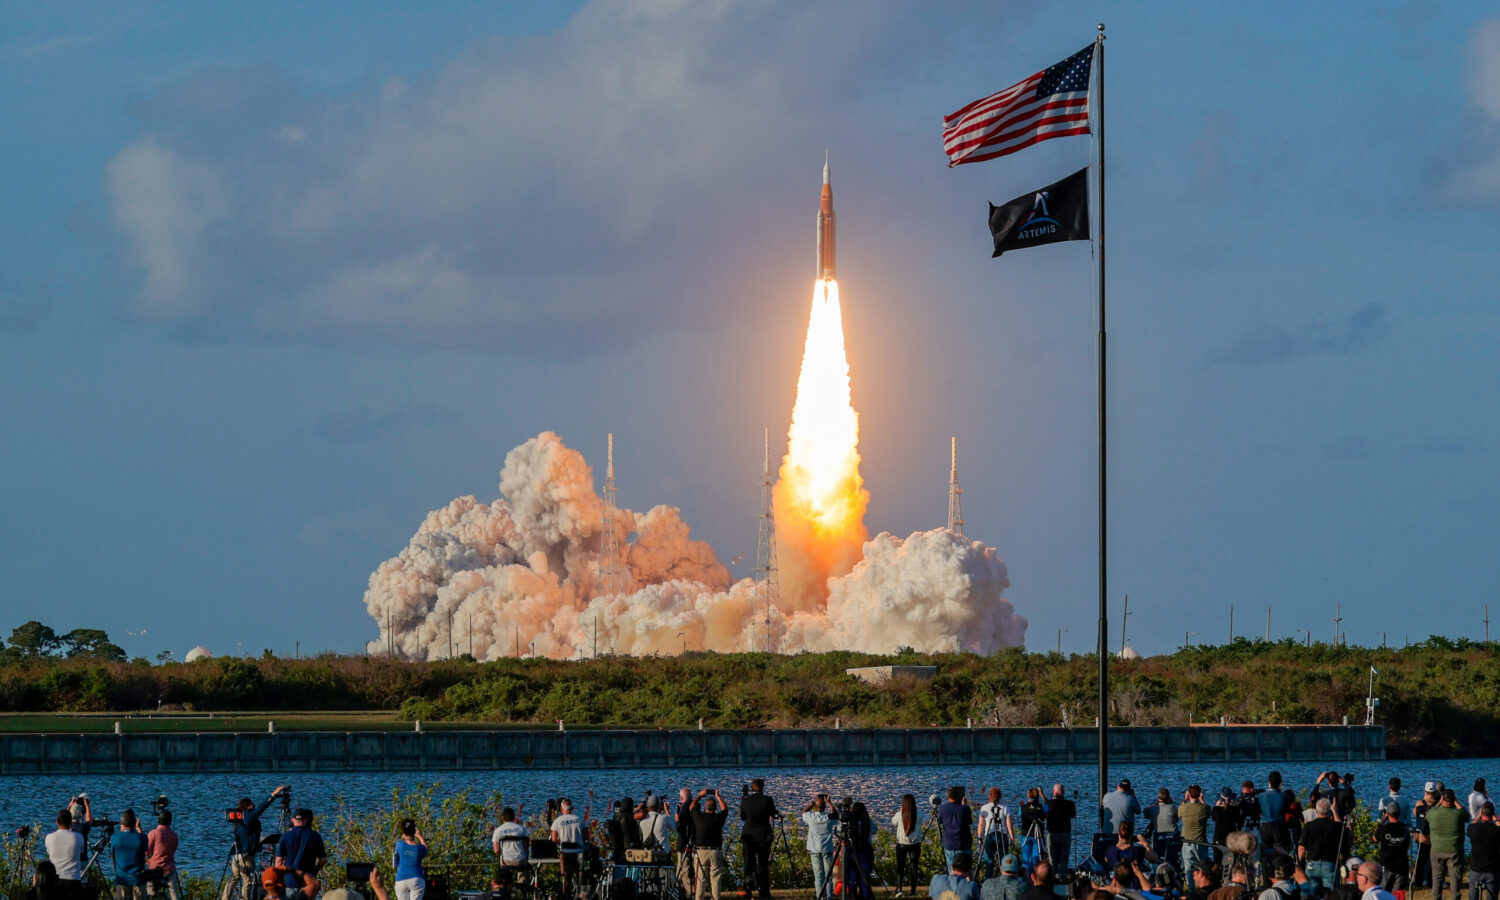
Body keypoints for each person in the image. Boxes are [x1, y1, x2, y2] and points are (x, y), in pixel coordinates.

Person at [223, 786, 288, 900]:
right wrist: (273, 794)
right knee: (247, 879)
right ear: (248, 806)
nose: (253, 806)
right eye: (252, 804)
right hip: (246, 854)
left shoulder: (239, 818)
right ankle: (245, 899)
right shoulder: (249, 815)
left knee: (235, 877)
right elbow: (262, 808)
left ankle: (225, 898)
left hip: (236, 853)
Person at [740, 780, 779, 900]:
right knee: (763, 864)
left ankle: (747, 889)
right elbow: (773, 814)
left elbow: (742, 817)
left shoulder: (746, 801)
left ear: (752, 788)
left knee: (748, 862)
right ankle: (764, 892)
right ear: (762, 787)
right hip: (763, 836)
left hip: (749, 836)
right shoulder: (767, 800)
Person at [1429, 788, 1470, 900]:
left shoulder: (1433, 813)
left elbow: (1428, 816)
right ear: (1454, 800)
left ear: (1442, 799)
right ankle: (1455, 898)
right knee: (1455, 878)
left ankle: (1436, 897)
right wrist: (1457, 802)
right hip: (1454, 850)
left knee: (1437, 877)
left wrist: (1438, 803)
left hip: (1437, 849)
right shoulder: (1459, 814)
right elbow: (1468, 817)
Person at [274, 809, 327, 895]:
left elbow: (279, 860)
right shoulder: (314, 836)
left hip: (289, 880)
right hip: (308, 879)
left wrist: (278, 877)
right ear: (306, 820)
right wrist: (315, 870)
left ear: (292, 820)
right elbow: (323, 859)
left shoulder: (286, 836)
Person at [690, 789, 729, 900]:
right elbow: (725, 809)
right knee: (715, 879)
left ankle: (699, 898)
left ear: (704, 808)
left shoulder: (699, 817)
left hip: (701, 851)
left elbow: (692, 806)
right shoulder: (718, 818)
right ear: (715, 808)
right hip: (715, 850)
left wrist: (699, 796)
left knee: (700, 879)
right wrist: (718, 796)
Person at [1299, 800, 1343, 893]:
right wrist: (1334, 810)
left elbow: (1302, 848)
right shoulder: (1335, 826)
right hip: (1329, 864)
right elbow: (1340, 825)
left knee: (1311, 894)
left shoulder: (1309, 826)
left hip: (1312, 864)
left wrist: (1298, 863)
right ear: (1329, 812)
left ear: (1316, 811)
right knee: (1331, 894)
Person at [46, 809, 86, 897]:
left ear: (57, 822)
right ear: (71, 822)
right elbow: (81, 851)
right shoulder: (78, 837)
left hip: (55, 879)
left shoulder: (49, 838)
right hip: (73, 880)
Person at [550, 798, 584, 899]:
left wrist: (562, 841)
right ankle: (581, 895)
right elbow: (586, 836)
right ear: (572, 808)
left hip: (565, 853)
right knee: (580, 877)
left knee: (566, 877)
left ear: (561, 809)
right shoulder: (580, 819)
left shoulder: (557, 821)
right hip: (579, 852)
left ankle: (566, 896)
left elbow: (554, 838)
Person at [1374, 801, 1411, 893]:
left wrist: (1381, 822)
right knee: (1397, 894)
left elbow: (1375, 838)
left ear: (1387, 814)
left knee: (1383, 893)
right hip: (1402, 867)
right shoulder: (1405, 829)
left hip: (1387, 866)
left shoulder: (1384, 829)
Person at [111, 810, 148, 900]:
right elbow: (146, 848)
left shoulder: (115, 838)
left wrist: (122, 831)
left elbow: (113, 853)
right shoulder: (142, 837)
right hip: (138, 880)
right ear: (135, 823)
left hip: (122, 879)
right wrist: (139, 829)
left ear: (122, 823)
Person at [803, 795, 835, 900]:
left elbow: (803, 813)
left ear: (816, 806)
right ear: (825, 806)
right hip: (827, 849)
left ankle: (820, 897)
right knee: (828, 876)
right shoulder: (829, 818)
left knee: (818, 876)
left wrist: (812, 803)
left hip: (814, 849)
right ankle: (829, 897)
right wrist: (829, 802)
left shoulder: (811, 817)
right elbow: (836, 815)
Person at [892, 794, 924, 898]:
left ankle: (899, 888)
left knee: (900, 867)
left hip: (902, 843)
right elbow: (920, 821)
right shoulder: (919, 814)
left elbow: (893, 822)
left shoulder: (900, 814)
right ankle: (913, 890)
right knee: (914, 866)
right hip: (915, 844)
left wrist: (900, 811)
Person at [978, 789, 1014, 878]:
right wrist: (1012, 839)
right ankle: (1004, 879)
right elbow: (1009, 825)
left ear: (989, 796)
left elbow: (981, 824)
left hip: (989, 836)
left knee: (989, 860)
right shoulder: (1005, 807)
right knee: (1003, 861)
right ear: (1000, 796)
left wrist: (980, 838)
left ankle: (988, 881)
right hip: (1002, 835)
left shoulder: (984, 808)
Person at [146, 810, 180, 900]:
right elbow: (172, 851)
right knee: (174, 893)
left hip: (154, 869)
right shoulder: (174, 835)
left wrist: (147, 860)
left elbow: (146, 851)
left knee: (150, 893)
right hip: (169, 869)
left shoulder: (153, 833)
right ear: (170, 821)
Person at [937, 787, 974, 870]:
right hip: (963, 844)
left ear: (947, 796)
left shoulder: (943, 808)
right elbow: (970, 821)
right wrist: (964, 805)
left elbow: (940, 821)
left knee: (952, 871)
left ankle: (953, 882)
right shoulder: (965, 809)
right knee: (966, 870)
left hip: (949, 844)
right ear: (958, 796)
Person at [1469, 802, 1500, 900]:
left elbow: (1471, 825)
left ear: (1481, 813)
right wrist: (1496, 819)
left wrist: (1478, 817)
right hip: (1492, 870)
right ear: (1492, 814)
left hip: (1476, 870)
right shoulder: (1496, 830)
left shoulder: (1473, 829)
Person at [391, 818, 428, 900]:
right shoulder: (419, 848)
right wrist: (420, 836)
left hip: (401, 879)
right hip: (416, 879)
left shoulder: (399, 845)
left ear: (403, 832)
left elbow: (397, 859)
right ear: (414, 831)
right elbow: (426, 849)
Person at [1180, 785, 1210, 875]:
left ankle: (1191, 887)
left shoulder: (1183, 808)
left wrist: (1185, 799)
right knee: (1204, 867)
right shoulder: (1204, 808)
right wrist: (1202, 800)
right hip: (1201, 842)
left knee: (1188, 868)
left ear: (1188, 794)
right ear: (1200, 794)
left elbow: (1179, 813)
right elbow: (1209, 811)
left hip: (1187, 841)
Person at [1046, 785, 1076, 872]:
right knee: (1064, 859)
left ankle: (1053, 877)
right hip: (1065, 833)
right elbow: (1073, 815)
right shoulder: (1070, 803)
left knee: (1052, 859)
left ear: (1053, 792)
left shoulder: (1048, 803)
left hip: (1052, 834)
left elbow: (1044, 815)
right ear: (1063, 792)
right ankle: (1062, 877)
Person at [676, 789, 698, 898]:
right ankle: (685, 893)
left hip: (684, 844)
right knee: (683, 871)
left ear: (681, 798)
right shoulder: (695, 806)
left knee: (683, 871)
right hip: (691, 841)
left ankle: (688, 894)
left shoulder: (685, 808)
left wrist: (677, 820)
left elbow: (680, 828)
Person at [1260, 773, 1289, 857]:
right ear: (1280, 783)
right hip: (1279, 825)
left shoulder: (1261, 796)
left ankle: (1267, 868)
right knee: (1281, 850)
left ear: (1269, 782)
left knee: (1265, 851)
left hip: (1265, 825)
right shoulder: (1284, 796)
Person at [1415, 782, 1437, 889]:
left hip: (1421, 837)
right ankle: (1430, 881)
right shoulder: (1437, 805)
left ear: (1425, 791)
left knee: (1420, 860)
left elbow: (1415, 812)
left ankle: (1418, 881)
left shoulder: (1419, 803)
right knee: (1431, 861)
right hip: (1433, 837)